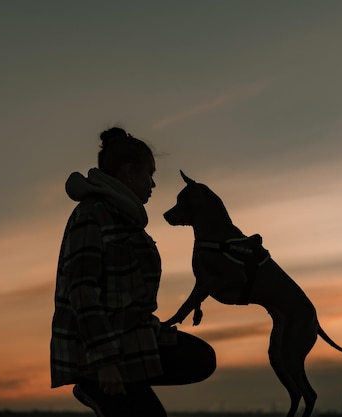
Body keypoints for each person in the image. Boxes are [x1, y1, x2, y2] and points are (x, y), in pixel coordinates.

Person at [50, 127, 216, 416]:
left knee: (200, 358)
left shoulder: (127, 220)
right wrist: (104, 362)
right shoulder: (92, 215)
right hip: (100, 349)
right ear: (129, 173)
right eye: (149, 174)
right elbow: (83, 293)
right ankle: (95, 382)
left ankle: (126, 387)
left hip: (129, 337)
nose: (153, 184)